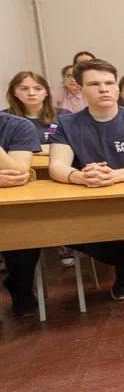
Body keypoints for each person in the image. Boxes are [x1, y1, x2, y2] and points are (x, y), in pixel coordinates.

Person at [49, 59, 124, 300]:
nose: (104, 89)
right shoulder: (66, 124)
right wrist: (80, 176)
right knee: (61, 233)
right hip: (86, 200)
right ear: (80, 88)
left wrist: (115, 176)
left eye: (109, 83)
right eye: (94, 84)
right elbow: (57, 166)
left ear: (116, 87)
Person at [0, 110, 41, 316]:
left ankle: (21, 290)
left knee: (25, 229)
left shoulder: (17, 125)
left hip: (9, 210)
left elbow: (18, 173)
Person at [6, 71, 58, 151]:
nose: (31, 93)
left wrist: (24, 148)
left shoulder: (63, 116)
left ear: (46, 92)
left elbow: (70, 146)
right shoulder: (4, 119)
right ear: (14, 92)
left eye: (38, 89)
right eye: (24, 89)